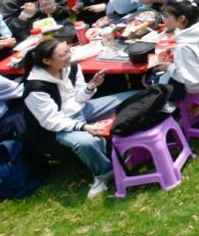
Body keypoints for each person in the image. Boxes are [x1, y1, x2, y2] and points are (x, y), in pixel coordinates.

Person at [22, 38, 137, 198]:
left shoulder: (71, 67)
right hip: (59, 125)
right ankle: (104, 174)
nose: (69, 56)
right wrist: (82, 127)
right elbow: (51, 121)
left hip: (81, 110)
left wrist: (91, 87)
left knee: (132, 97)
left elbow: (79, 98)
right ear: (47, 61)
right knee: (86, 142)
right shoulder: (35, 88)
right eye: (63, 54)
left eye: (69, 51)